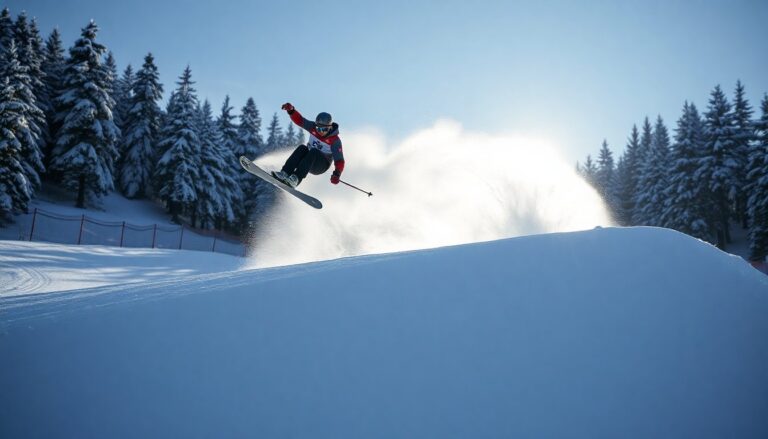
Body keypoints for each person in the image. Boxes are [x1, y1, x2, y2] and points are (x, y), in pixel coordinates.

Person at [272, 103, 345, 188]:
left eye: (324, 129)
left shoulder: (335, 141)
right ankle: (285, 173)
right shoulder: (312, 127)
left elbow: (339, 160)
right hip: (307, 160)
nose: (320, 131)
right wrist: (291, 110)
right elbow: (300, 120)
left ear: (330, 127)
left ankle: (296, 179)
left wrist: (337, 174)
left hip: (320, 165)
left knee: (314, 151)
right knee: (302, 148)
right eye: (318, 128)